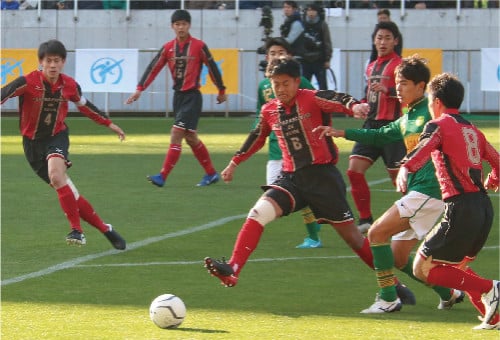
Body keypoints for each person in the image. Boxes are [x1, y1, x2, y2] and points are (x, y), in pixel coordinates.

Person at [203, 58, 416, 306]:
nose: (280, 89)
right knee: (258, 212)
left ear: (297, 81)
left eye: (285, 83)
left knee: (354, 240)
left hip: (322, 178)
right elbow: (257, 137)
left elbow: (339, 98)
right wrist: (234, 163)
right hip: (291, 178)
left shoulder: (312, 98)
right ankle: (233, 269)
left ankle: (395, 285)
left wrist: (355, 106)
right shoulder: (269, 110)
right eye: (276, 84)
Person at [317, 56, 464, 313]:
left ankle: (388, 299)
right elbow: (380, 134)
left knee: (375, 234)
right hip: (422, 193)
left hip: (429, 191)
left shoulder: (432, 112)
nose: (398, 88)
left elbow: (456, 129)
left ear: (421, 87)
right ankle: (449, 293)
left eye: (404, 83)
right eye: (397, 82)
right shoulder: (408, 117)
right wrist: (343, 133)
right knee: (397, 256)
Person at [395, 73, 499, 330]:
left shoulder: (438, 124)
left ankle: (492, 287)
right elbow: (497, 161)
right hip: (484, 209)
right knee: (455, 269)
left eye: (430, 99)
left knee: (422, 268)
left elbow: (424, 147)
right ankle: (494, 316)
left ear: (436, 101)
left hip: (461, 209)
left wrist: (406, 168)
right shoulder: (473, 130)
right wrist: (494, 178)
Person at [0, 39, 127, 250]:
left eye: (57, 61)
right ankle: (106, 229)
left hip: (56, 137)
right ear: (41, 62)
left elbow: (85, 106)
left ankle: (77, 230)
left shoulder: (69, 85)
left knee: (56, 175)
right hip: (31, 145)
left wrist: (108, 123)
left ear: (63, 62)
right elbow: (2, 94)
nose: (52, 65)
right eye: (48, 61)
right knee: (69, 192)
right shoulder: (27, 82)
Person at [126, 9, 227, 188]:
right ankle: (211, 174)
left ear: (189, 25)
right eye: (177, 24)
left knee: (176, 134)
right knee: (191, 138)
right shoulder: (168, 48)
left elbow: (212, 67)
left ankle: (162, 176)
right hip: (178, 97)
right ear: (172, 26)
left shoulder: (198, 46)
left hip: (193, 97)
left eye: (184, 24)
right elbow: (153, 68)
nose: (181, 27)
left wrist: (221, 89)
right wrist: (140, 88)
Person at [255, 37, 322, 249]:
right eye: (273, 53)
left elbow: (316, 102)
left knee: (290, 195)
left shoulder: (298, 81)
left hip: (299, 148)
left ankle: (313, 236)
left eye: (281, 52)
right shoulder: (264, 85)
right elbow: (262, 116)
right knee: (276, 193)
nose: (277, 56)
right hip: (276, 148)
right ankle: (314, 217)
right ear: (267, 58)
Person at [348, 21, 406, 233]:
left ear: (395, 41)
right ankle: (365, 219)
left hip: (392, 128)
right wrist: (362, 105)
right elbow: (371, 94)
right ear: (374, 41)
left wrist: (388, 90)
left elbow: (408, 94)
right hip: (371, 126)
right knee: (354, 171)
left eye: (387, 38)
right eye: (379, 38)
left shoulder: (401, 65)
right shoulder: (371, 65)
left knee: (399, 180)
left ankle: (413, 217)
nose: (382, 42)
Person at [301, 2, 333, 90]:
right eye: (309, 10)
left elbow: (327, 42)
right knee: (303, 86)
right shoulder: (302, 24)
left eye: (313, 10)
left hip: (319, 60)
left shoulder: (322, 24)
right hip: (305, 60)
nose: (311, 13)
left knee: (323, 87)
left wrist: (327, 59)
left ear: (317, 12)